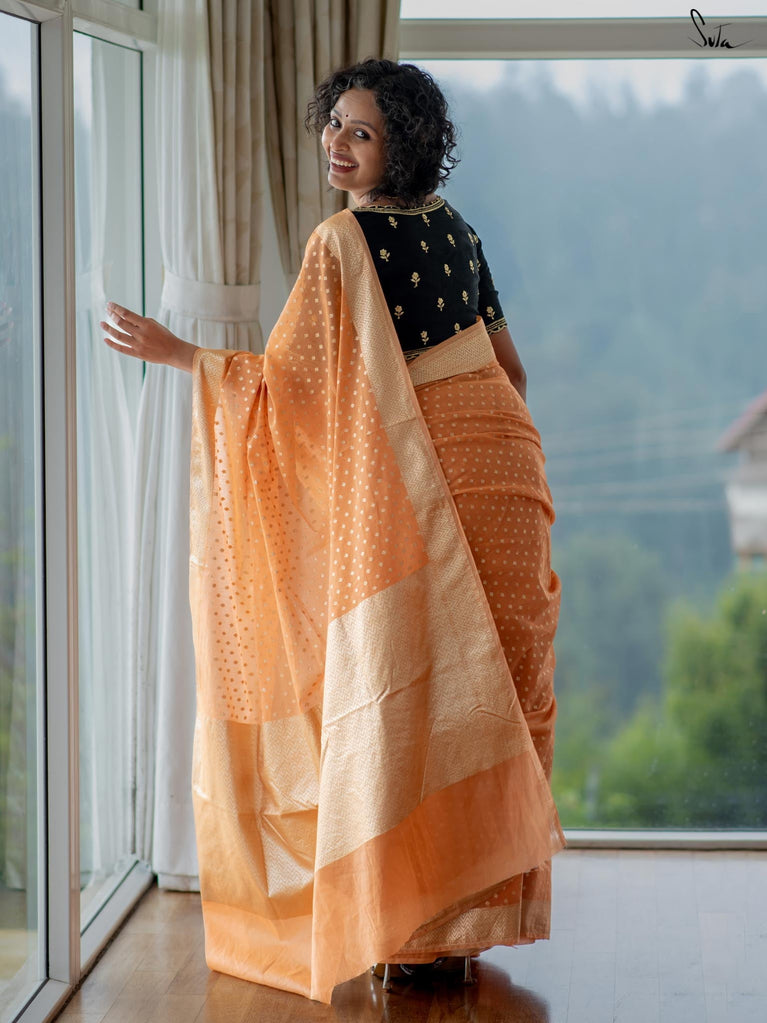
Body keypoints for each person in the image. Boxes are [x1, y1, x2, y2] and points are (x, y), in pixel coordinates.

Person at [101, 59, 564, 1006]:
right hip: (510, 474)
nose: (336, 146)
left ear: (403, 142)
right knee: (496, 698)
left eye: (360, 132)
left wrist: (180, 353)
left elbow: (292, 393)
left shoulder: (341, 241)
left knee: (410, 700)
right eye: (333, 126)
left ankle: (412, 933)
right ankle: (465, 928)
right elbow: (510, 371)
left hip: (426, 483)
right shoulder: (458, 229)